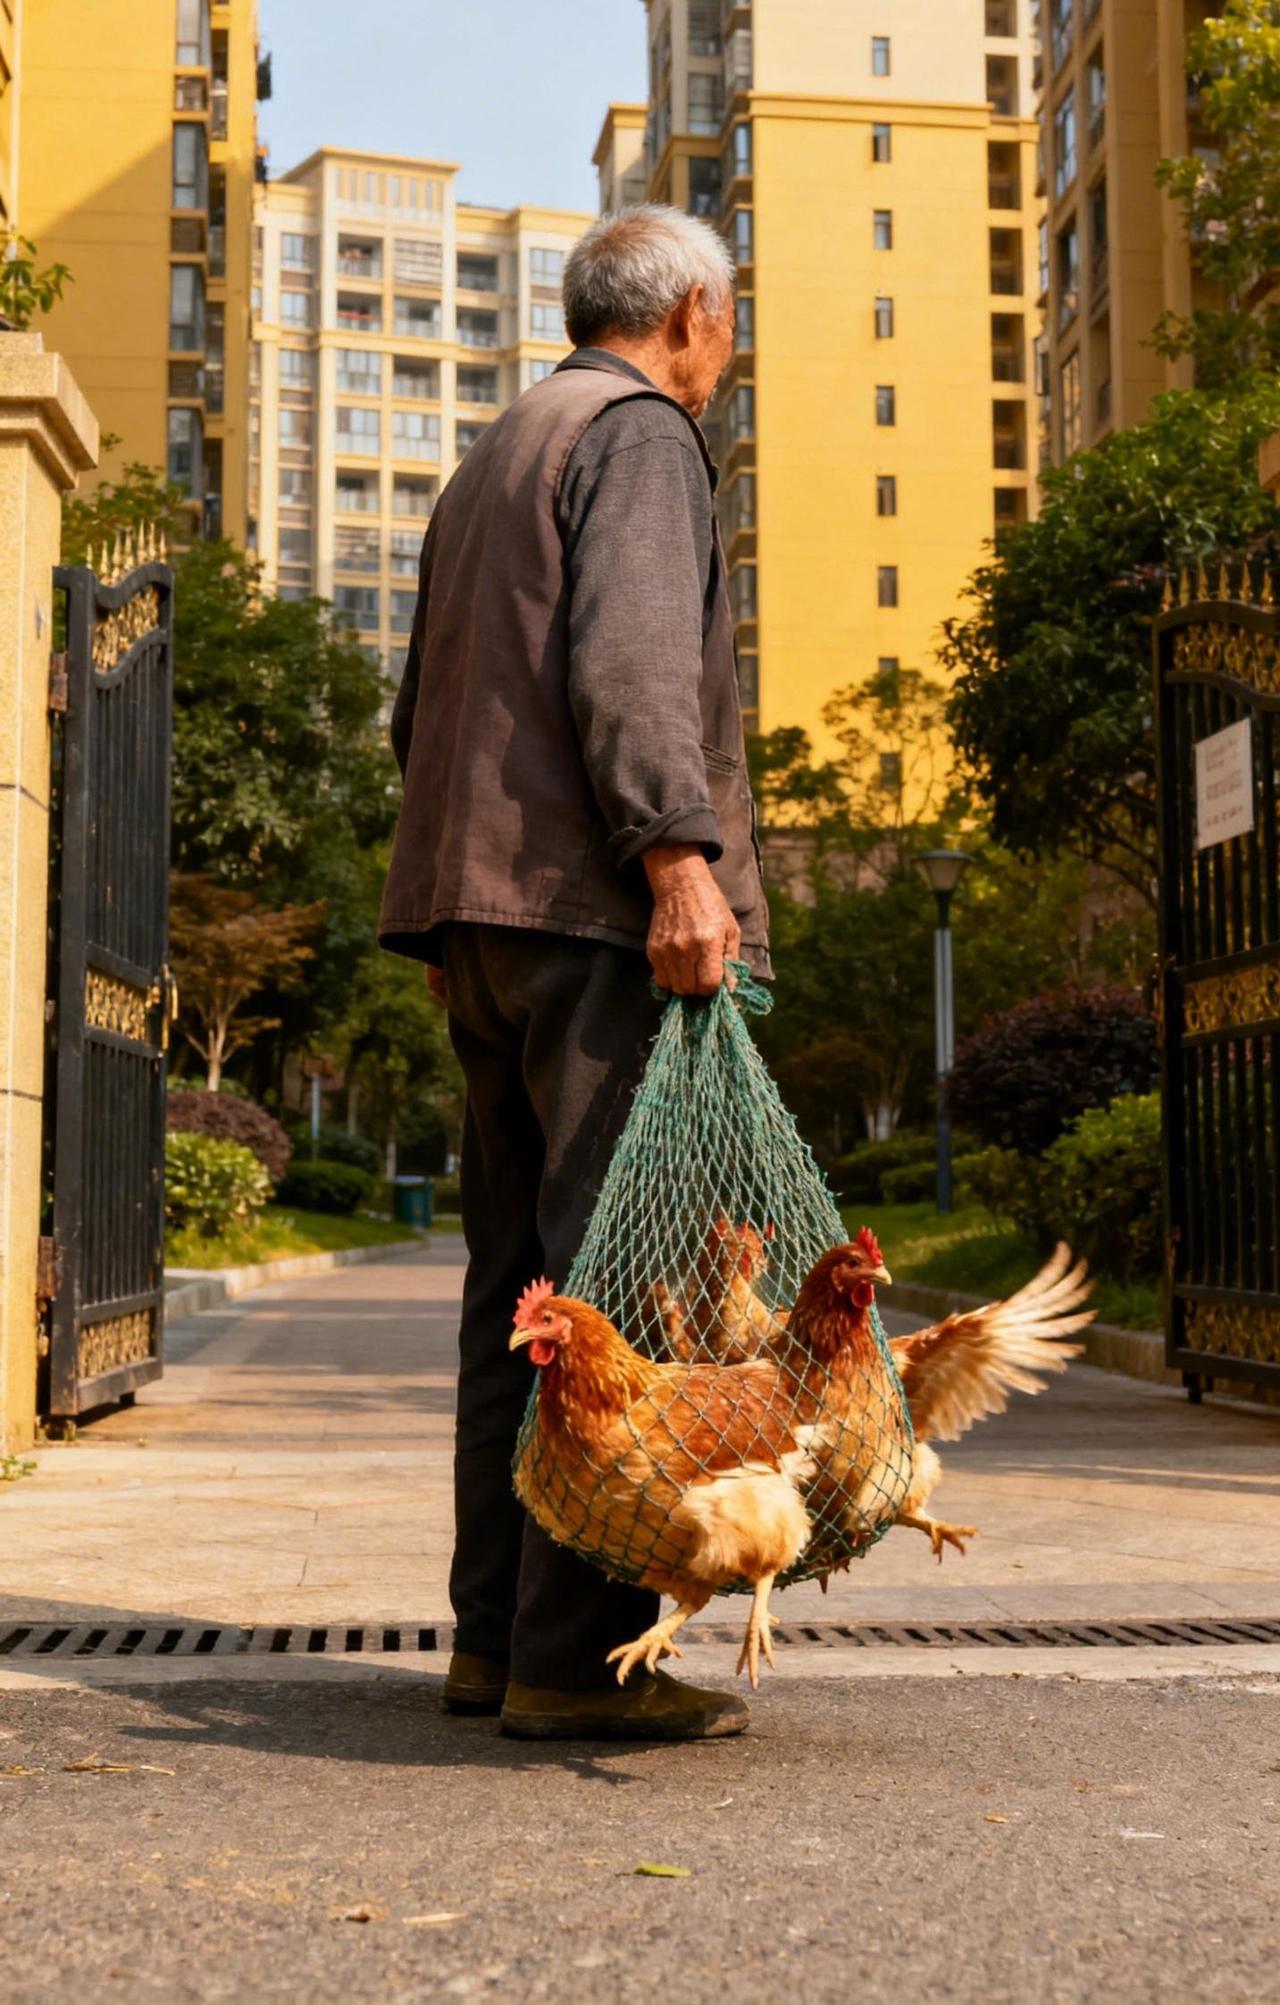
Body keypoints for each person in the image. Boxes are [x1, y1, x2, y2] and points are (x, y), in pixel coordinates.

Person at [379, 205, 770, 1740]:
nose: (726, 348)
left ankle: (493, 1640)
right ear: (684, 316)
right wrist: (681, 857)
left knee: (521, 1299)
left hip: (481, 920)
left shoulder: (496, 451)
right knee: (621, 1293)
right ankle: (576, 1658)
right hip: (597, 912)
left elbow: (418, 713)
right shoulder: (644, 436)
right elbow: (628, 671)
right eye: (726, 318)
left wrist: (448, 925)